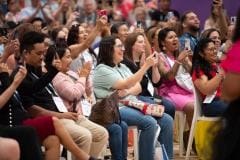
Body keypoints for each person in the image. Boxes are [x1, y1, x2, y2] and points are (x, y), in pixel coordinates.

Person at [12, 31, 108, 159]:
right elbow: (32, 105)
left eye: (43, 54)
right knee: (84, 136)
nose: (41, 57)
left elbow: (85, 92)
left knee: (101, 133)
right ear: (25, 53)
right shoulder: (21, 74)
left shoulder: (38, 70)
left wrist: (84, 76)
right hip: (53, 117)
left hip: (63, 114)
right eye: (38, 54)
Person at [47, 42, 128, 160]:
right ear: (57, 59)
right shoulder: (56, 77)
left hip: (82, 115)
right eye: (68, 57)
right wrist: (83, 76)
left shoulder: (70, 73)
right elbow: (74, 95)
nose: (71, 60)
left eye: (71, 57)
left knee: (104, 132)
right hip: (69, 117)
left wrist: (87, 75)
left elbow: (88, 91)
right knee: (94, 134)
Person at [93, 35, 158, 160]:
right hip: (116, 108)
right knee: (149, 122)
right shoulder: (102, 70)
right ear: (109, 49)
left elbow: (138, 87)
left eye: (122, 46)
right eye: (119, 46)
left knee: (165, 119)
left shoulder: (122, 66)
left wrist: (127, 91)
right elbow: (127, 83)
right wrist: (145, 66)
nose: (123, 49)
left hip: (132, 102)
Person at [122, 32, 174, 158]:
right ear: (131, 46)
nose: (143, 44)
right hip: (138, 98)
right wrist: (144, 67)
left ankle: (164, 154)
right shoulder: (126, 63)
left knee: (168, 109)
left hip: (149, 96)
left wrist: (154, 66)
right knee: (165, 107)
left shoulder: (146, 60)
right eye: (140, 42)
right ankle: (153, 147)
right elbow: (138, 87)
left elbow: (157, 82)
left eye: (144, 41)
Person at [157, 28, 194, 127]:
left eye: (176, 37)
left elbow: (193, 74)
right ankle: (193, 140)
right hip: (170, 93)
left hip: (187, 89)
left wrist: (188, 61)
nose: (175, 39)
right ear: (163, 43)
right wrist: (178, 61)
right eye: (170, 37)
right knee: (192, 107)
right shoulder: (160, 57)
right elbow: (169, 77)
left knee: (203, 104)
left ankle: (193, 137)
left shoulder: (181, 55)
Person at [191, 38, 228, 116]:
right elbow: (206, 89)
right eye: (211, 50)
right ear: (201, 54)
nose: (215, 52)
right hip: (211, 104)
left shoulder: (214, 66)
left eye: (215, 49)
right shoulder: (198, 70)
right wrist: (221, 73)